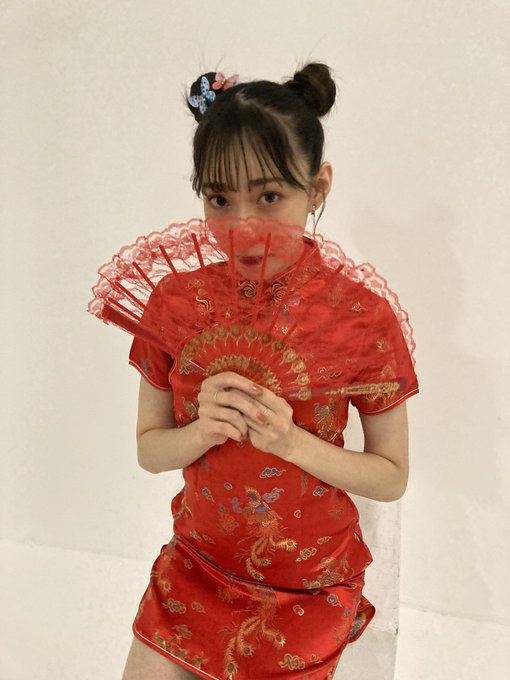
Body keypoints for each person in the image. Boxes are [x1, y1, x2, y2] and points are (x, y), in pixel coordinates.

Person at [120, 63, 419, 680]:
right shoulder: (175, 304)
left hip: (308, 586)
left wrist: (290, 442)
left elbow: (391, 477)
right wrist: (201, 430)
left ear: (319, 187)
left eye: (269, 196)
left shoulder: (360, 318)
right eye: (219, 199)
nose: (242, 227)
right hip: (196, 568)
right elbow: (150, 451)